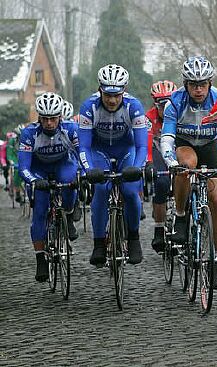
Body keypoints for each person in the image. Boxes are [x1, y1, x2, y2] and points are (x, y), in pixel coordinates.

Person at [160, 56, 217, 289]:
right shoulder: (175, 102)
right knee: (187, 164)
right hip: (185, 143)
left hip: (210, 146)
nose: (198, 90)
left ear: (210, 83)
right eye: (193, 85)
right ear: (185, 84)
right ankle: (180, 214)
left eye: (203, 84)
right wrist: (170, 160)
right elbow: (167, 136)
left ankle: (215, 257)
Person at [79, 64, 148, 266]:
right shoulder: (88, 106)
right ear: (99, 89)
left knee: (129, 191)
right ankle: (99, 243)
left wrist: (137, 167)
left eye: (117, 95)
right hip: (99, 151)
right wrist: (88, 170)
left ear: (124, 91)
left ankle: (134, 239)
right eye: (107, 94)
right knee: (100, 189)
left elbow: (142, 144)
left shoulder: (134, 106)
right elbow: (83, 145)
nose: (111, 100)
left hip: (126, 150)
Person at [18, 92, 80, 282]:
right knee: (40, 211)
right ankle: (40, 259)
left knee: (70, 182)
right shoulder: (29, 134)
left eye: (53, 118)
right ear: (39, 118)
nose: (49, 123)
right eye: (45, 119)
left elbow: (82, 156)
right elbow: (23, 167)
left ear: (60, 116)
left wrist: (85, 174)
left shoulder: (71, 129)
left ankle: (68, 216)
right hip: (38, 170)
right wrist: (34, 181)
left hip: (63, 164)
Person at [146, 80, 178, 253]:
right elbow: (147, 140)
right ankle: (159, 229)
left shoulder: (180, 112)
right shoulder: (149, 118)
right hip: (158, 151)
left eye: (169, 103)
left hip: (177, 149)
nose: (165, 108)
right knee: (161, 182)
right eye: (161, 104)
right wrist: (150, 163)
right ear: (155, 104)